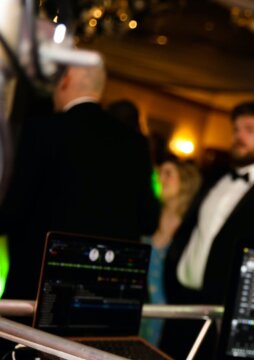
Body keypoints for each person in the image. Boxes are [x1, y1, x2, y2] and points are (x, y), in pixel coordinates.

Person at [162, 101, 254, 360]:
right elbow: (190, 232)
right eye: (236, 129)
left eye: (249, 130)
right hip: (181, 307)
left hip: (223, 321)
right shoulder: (214, 177)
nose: (239, 136)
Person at [0, 60, 158, 300]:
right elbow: (148, 221)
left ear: (65, 81)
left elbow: (11, 211)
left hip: (41, 291)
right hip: (105, 295)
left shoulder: (44, 131)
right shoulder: (135, 143)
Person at [139, 157, 201, 345]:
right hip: (140, 317)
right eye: (159, 173)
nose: (161, 179)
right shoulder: (146, 220)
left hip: (169, 322)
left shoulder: (191, 231)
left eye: (168, 174)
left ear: (185, 182)